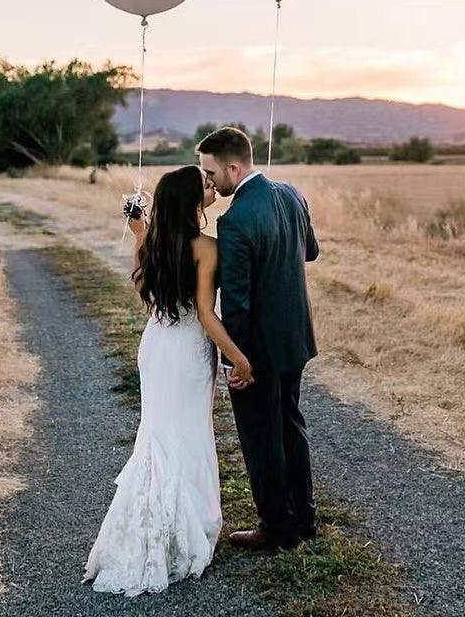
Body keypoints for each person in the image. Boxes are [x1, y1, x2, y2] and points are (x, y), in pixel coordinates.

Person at [83, 165, 253, 597]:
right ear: (191, 202)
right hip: (187, 353)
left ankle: (156, 529)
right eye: (207, 186)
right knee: (188, 434)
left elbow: (142, 280)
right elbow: (205, 315)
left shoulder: (153, 243)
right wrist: (240, 359)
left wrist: (139, 233)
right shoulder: (207, 248)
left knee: (159, 436)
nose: (214, 188)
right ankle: (182, 531)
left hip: (156, 347)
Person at [197, 126, 320, 551]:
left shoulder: (234, 221)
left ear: (234, 166)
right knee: (290, 424)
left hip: (260, 350)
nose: (209, 181)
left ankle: (276, 527)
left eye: (212, 172)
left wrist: (236, 362)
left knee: (260, 435)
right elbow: (311, 251)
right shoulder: (290, 193)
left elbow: (237, 304)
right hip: (296, 338)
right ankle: (305, 517)